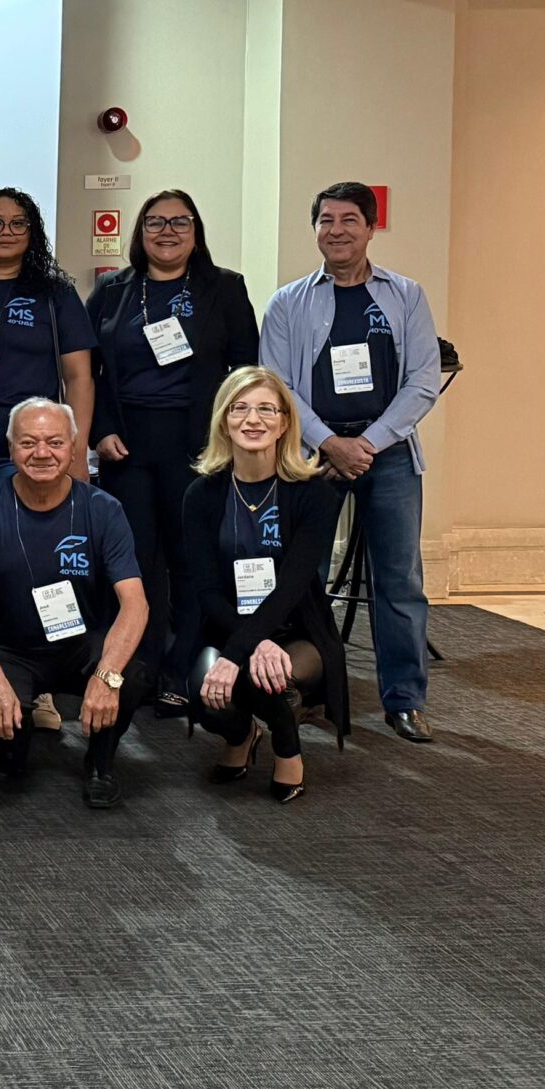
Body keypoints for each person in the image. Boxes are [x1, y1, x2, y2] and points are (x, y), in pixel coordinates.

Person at [259, 181, 442, 742]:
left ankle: (404, 700)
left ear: (370, 227)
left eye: (348, 220)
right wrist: (328, 443)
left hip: (388, 456)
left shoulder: (405, 295)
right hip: (311, 458)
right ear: (315, 229)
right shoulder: (288, 302)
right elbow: (277, 384)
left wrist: (368, 444)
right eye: (326, 221)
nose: (336, 231)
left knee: (400, 580)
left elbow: (423, 380)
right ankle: (308, 691)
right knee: (302, 576)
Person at [87, 189, 257, 686]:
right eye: (156, 222)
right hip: (126, 445)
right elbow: (86, 371)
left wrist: (229, 438)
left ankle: (183, 672)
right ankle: (136, 668)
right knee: (134, 561)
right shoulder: (112, 289)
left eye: (180, 222)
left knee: (190, 559)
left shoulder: (224, 288)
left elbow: (245, 371)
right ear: (140, 232)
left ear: (196, 232)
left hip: (198, 444)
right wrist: (100, 430)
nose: (168, 231)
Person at [0, 398, 158, 810]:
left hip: (80, 645)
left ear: (74, 447)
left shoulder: (103, 509)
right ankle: (12, 744)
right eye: (28, 442)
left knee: (131, 674)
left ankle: (100, 761)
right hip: (10, 649)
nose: (42, 453)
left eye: (55, 442)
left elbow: (136, 604)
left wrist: (107, 676)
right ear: (10, 448)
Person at [175, 368, 348, 802]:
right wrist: (249, 644)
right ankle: (243, 735)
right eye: (240, 408)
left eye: (267, 409)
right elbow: (206, 591)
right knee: (205, 691)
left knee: (267, 678)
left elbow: (292, 588)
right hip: (226, 625)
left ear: (285, 423)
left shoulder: (313, 494)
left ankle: (288, 750)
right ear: (224, 420)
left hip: (297, 630)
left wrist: (248, 650)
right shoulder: (201, 495)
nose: (253, 420)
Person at [0, 187, 94, 491]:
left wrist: (77, 450)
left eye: (18, 224)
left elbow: (79, 378)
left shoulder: (55, 294)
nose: (6, 232)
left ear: (31, 233)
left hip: (34, 448)